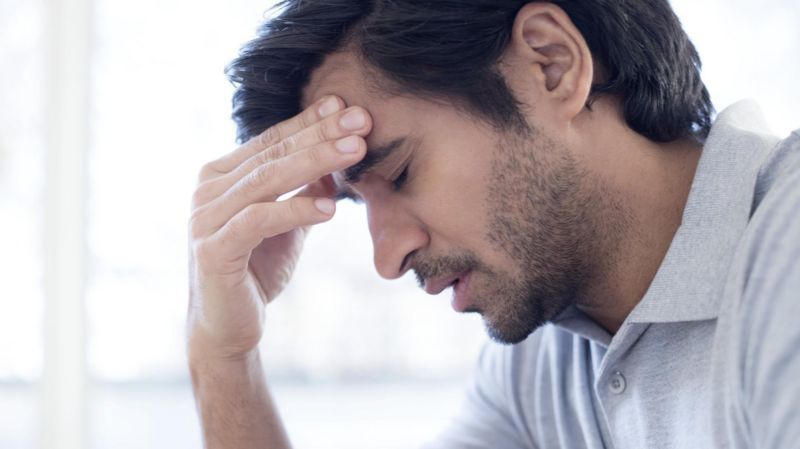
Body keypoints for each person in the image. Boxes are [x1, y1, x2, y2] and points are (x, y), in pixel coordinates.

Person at [186, 0, 800, 447]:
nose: (387, 258)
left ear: (551, 64)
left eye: (399, 173)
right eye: (357, 202)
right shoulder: (542, 360)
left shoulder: (786, 254)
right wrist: (223, 357)